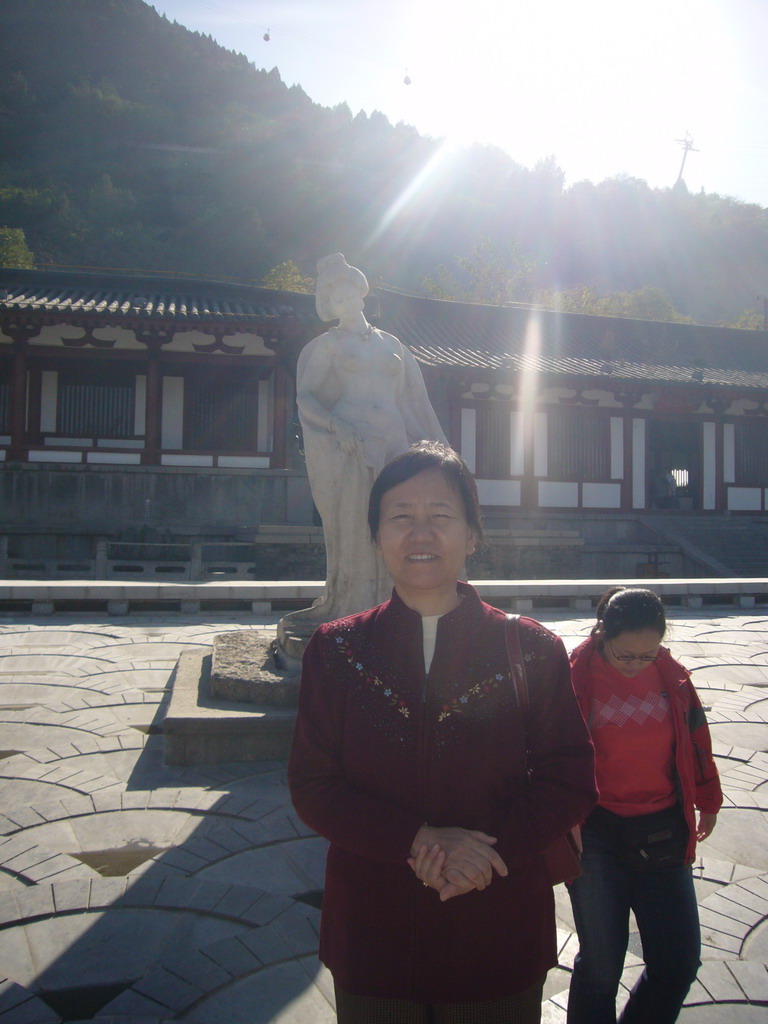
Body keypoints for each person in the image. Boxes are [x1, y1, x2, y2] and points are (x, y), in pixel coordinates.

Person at [288, 441, 597, 1023]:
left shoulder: (531, 649)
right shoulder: (336, 650)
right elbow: (313, 786)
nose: (420, 533)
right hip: (374, 936)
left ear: (473, 535)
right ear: (377, 536)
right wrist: (419, 840)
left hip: (495, 928)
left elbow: (570, 781)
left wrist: (480, 854)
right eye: (401, 516)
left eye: (441, 516)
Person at [566, 587, 722, 1024]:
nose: (636, 665)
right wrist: (562, 819)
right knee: (599, 968)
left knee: (677, 964)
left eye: (646, 655)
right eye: (625, 656)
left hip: (663, 832)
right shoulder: (575, 678)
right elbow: (551, 755)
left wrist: (708, 798)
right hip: (595, 833)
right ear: (602, 635)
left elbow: (695, 742)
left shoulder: (671, 676)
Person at [294, 253, 447, 623]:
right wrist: (336, 427)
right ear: (330, 306)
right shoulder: (327, 346)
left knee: (403, 522)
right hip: (354, 444)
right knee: (360, 527)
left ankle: (403, 603)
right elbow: (306, 397)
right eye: (337, 300)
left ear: (361, 296)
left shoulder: (392, 344)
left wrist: (440, 450)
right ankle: (357, 607)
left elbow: (416, 402)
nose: (345, 303)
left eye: (349, 295)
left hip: (396, 443)